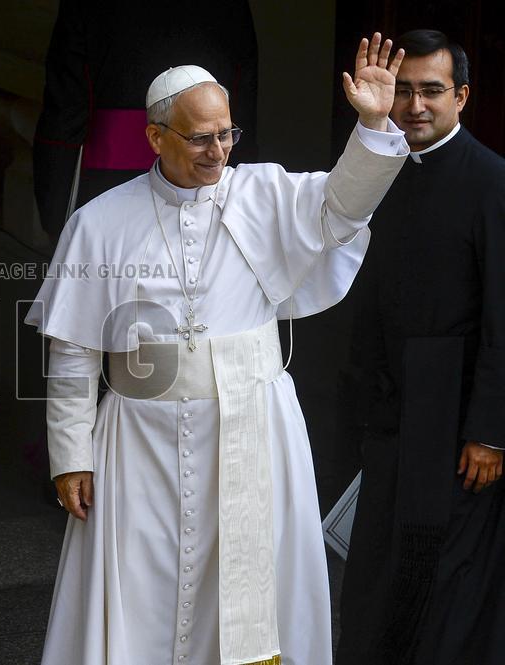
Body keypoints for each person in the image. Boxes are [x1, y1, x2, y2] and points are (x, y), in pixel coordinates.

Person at [25, 35, 409, 665]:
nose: (219, 151)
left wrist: (372, 124)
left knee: (248, 592)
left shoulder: (262, 194)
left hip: (254, 432)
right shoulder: (98, 222)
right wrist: (71, 456)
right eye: (201, 138)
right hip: (139, 443)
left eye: (227, 135)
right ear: (155, 138)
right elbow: (73, 353)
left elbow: (342, 208)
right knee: (143, 596)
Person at [337, 29, 505, 665]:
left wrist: (491, 431)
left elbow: (502, 317)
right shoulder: (379, 170)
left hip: (457, 421)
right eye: (403, 91)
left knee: (446, 585)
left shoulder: (492, 181)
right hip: (389, 412)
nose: (415, 107)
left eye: (431, 91)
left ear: (461, 96)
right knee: (377, 576)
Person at [33, 0, 258, 244]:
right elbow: (241, 103)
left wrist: (55, 211)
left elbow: (65, 110)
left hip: (111, 184)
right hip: (203, 181)